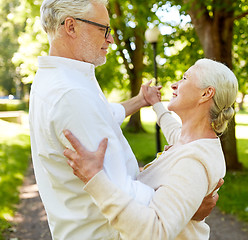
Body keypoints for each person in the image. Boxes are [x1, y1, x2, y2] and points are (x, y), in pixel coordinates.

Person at [30, 1, 218, 239]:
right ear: (71, 27)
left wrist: (140, 100)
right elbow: (121, 191)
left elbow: (102, 115)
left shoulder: (60, 79)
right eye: (104, 29)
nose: (111, 40)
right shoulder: (71, 95)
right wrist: (187, 204)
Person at [63, 58, 239, 239]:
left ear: (206, 93)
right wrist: (155, 103)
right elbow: (170, 127)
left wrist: (94, 178)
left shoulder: (193, 160)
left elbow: (155, 232)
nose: (174, 85)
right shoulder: (188, 140)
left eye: (185, 78)